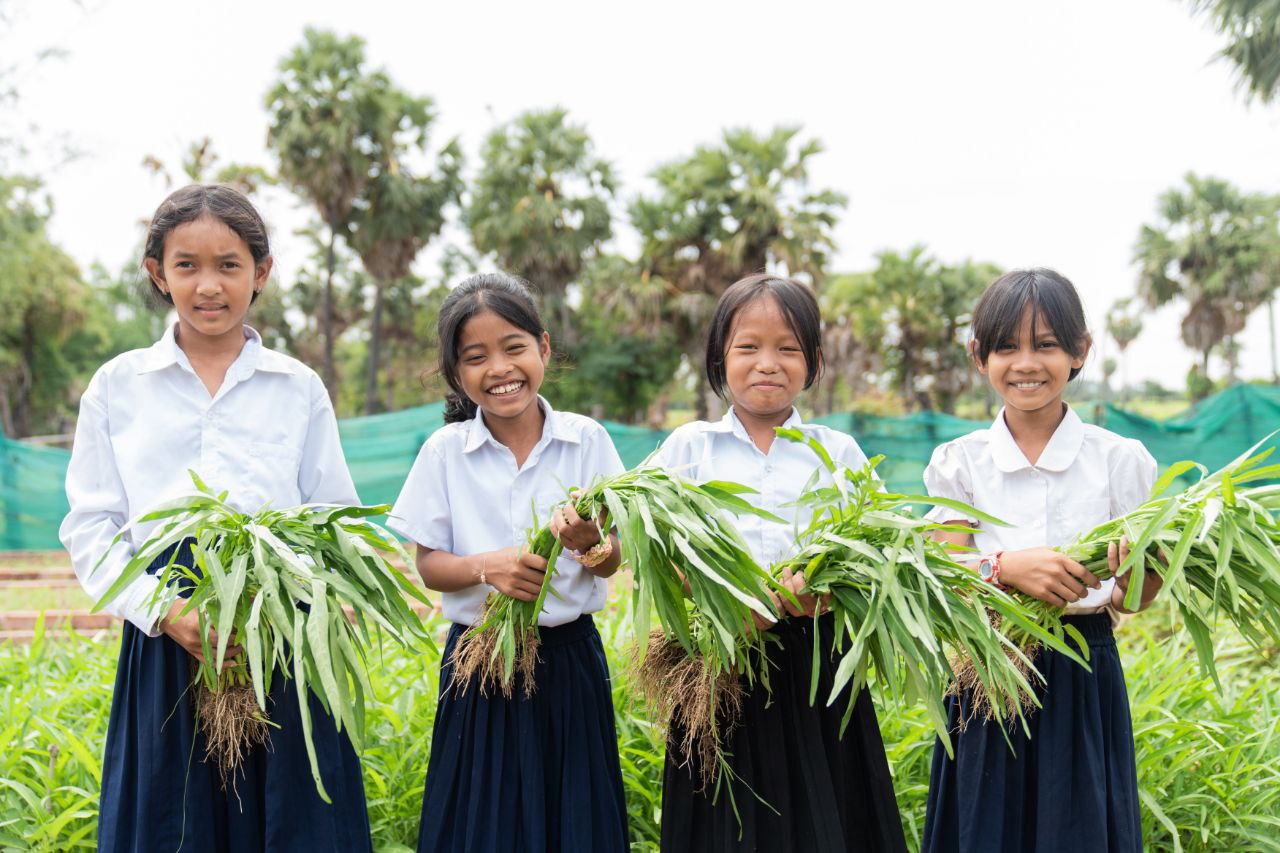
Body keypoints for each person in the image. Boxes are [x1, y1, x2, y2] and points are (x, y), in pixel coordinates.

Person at [60, 184, 370, 851]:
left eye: (229, 264)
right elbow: (90, 525)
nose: (209, 285)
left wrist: (325, 600)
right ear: (157, 273)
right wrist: (166, 611)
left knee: (290, 815)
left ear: (261, 273)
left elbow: (337, 518)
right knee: (174, 817)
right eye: (187, 265)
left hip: (281, 629)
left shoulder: (297, 387)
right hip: (169, 631)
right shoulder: (119, 386)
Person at [656, 274, 907, 853]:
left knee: (828, 812)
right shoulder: (688, 449)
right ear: (721, 356)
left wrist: (829, 591)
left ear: (813, 361)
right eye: (748, 347)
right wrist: (721, 600)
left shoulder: (836, 452)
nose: (767, 363)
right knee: (724, 823)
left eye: (787, 348)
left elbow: (876, 557)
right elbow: (659, 559)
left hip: (820, 662)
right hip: (718, 664)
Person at [921, 268, 1162, 853]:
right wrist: (1004, 568)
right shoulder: (959, 462)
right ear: (979, 356)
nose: (1026, 363)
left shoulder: (1119, 460)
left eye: (1046, 344)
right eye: (1007, 346)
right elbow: (947, 576)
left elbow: (1136, 597)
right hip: (988, 667)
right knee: (986, 829)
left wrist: (1134, 578)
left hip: (1084, 666)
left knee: (1078, 828)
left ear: (1080, 351)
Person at [388, 272, 629, 853]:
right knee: (482, 822)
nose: (499, 369)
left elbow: (612, 561)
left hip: (568, 660)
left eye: (514, 347)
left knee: (573, 818)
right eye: (476, 357)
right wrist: (486, 567)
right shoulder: (445, 452)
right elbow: (428, 566)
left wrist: (589, 543)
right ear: (457, 373)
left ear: (543, 347)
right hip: (481, 662)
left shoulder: (586, 440)